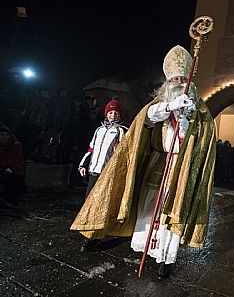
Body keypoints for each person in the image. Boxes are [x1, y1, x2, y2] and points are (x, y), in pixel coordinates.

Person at [70, 45, 216, 279]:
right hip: (157, 161)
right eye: (175, 78)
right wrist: (170, 107)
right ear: (168, 81)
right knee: (148, 206)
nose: (179, 81)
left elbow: (202, 142)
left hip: (180, 166)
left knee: (170, 211)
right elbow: (146, 119)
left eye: (182, 77)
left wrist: (188, 124)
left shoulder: (199, 110)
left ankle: (166, 258)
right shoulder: (161, 102)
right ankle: (145, 246)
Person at [77, 98, 128, 251]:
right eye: (110, 112)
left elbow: (121, 154)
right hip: (94, 171)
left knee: (101, 206)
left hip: (107, 174)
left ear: (120, 115)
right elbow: (91, 149)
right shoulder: (99, 130)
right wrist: (83, 164)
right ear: (106, 114)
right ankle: (88, 231)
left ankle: (94, 237)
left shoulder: (121, 131)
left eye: (116, 113)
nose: (113, 115)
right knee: (89, 203)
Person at [0, 124, 26, 206]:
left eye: (7, 135)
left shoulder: (15, 145)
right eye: (1, 135)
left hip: (14, 172)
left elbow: (11, 161)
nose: (4, 137)